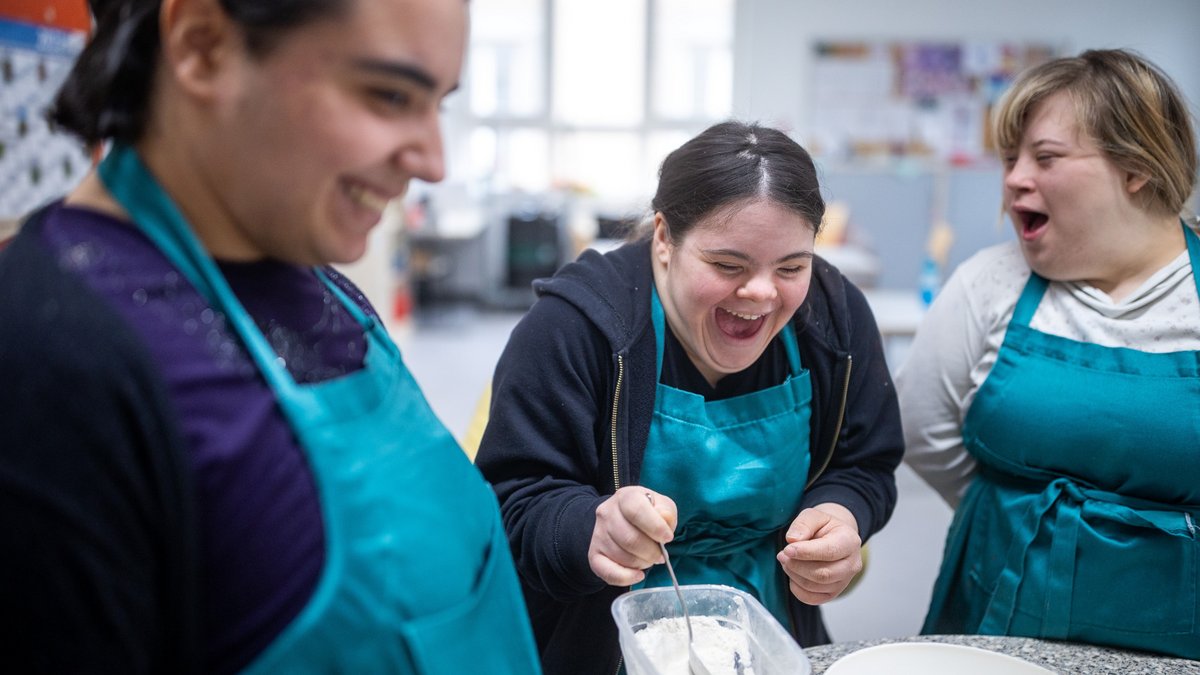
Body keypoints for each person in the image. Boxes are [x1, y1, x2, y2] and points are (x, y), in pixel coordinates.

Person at [0, 0, 542, 673]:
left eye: (440, 103)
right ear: (202, 46)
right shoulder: (49, 360)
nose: (434, 161)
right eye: (389, 94)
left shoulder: (326, 288)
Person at [474, 120, 904, 674]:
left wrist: (843, 513)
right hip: (596, 641)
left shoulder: (832, 319)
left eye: (793, 266)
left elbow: (865, 461)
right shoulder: (573, 328)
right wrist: (589, 527)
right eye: (728, 266)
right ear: (663, 239)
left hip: (769, 632)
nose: (761, 294)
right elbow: (513, 500)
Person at [897, 48, 1200, 659]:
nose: (1013, 179)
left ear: (1135, 165)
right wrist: (1013, 513)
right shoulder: (991, 283)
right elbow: (922, 429)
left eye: (1046, 157)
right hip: (996, 624)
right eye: (1011, 159)